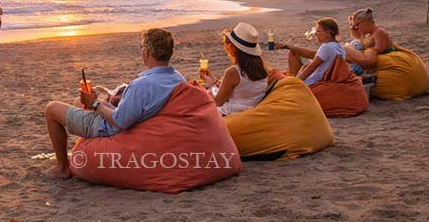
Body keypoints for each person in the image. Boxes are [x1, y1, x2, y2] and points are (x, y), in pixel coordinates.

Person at [43, 28, 185, 179]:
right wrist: (100, 103)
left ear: (147, 52)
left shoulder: (141, 85)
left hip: (112, 129)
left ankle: (62, 168)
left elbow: (120, 121)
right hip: (141, 121)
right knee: (78, 102)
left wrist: (96, 104)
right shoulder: (178, 78)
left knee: (52, 109)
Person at [201, 22, 269, 116]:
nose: (226, 47)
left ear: (233, 47)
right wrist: (213, 80)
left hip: (232, 114)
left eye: (228, 44)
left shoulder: (233, 72)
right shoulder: (262, 67)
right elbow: (242, 88)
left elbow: (217, 102)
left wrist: (210, 84)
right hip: (252, 110)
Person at [276, 18, 347, 86]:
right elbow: (313, 55)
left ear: (327, 33)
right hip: (324, 78)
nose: (316, 34)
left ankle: (292, 77)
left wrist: (295, 82)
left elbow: (312, 67)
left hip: (312, 81)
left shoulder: (326, 47)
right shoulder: (339, 47)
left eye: (319, 31)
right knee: (295, 53)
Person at [344, 8, 394, 72]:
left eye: (357, 24)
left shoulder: (379, 32)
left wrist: (362, 53)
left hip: (383, 58)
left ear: (365, 21)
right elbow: (357, 36)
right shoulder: (368, 34)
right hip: (371, 56)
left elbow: (380, 48)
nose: (356, 27)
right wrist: (352, 26)